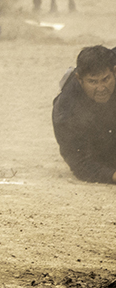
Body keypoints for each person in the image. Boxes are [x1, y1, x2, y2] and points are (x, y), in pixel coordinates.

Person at [52, 45, 116, 184]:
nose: (101, 88)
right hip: (101, 148)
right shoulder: (66, 110)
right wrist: (113, 175)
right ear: (79, 79)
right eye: (93, 82)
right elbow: (80, 163)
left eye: (106, 79)